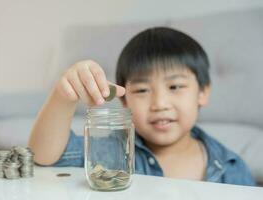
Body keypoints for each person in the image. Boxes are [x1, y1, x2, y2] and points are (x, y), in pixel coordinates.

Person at [28, 27, 256, 186]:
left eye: (175, 87)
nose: (159, 104)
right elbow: (44, 155)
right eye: (142, 90)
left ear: (203, 92)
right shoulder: (111, 151)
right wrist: (63, 95)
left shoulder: (231, 168)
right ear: (124, 100)